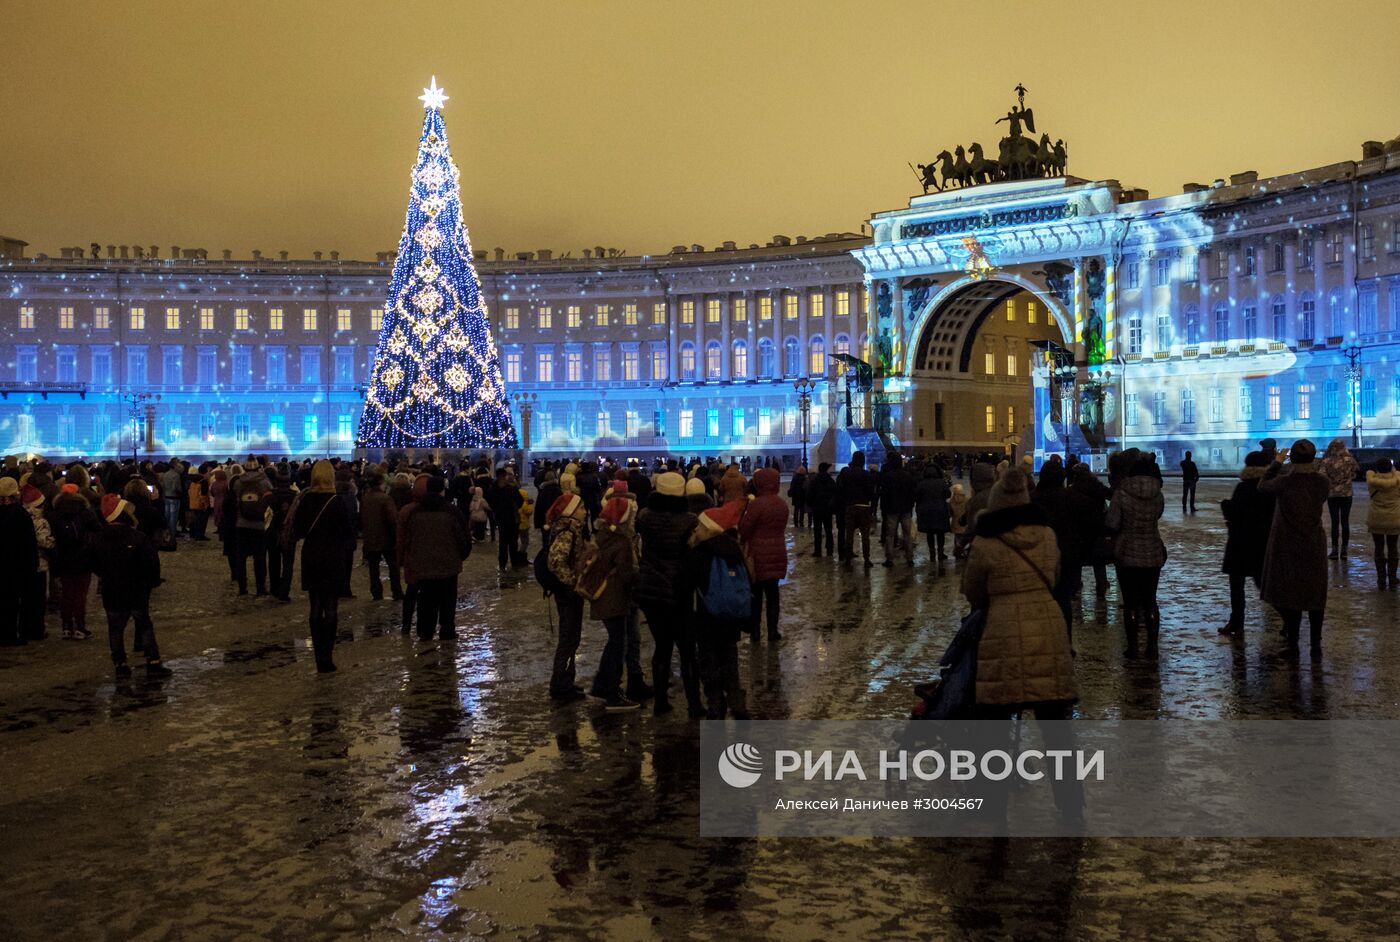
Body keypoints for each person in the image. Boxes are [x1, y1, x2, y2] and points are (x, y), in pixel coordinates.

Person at [961, 468, 1079, 817]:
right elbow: (1055, 577)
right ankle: (1071, 807)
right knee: (1057, 733)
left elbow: (973, 592)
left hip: (1002, 634)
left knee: (994, 732)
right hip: (1048, 629)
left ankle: (995, 809)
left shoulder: (985, 542)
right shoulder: (1046, 536)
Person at [634, 472, 702, 717]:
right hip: (678, 588)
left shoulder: (644, 516)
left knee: (662, 646)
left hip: (651, 589)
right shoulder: (689, 520)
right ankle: (694, 704)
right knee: (687, 649)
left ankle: (661, 701)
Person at [1259, 439, 1329, 657]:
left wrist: (1277, 462)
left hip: (1288, 543)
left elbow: (1262, 485)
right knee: (1315, 594)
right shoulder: (1322, 482)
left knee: (1292, 596)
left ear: (1292, 458)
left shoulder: (1284, 482)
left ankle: (1293, 643)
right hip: (1314, 543)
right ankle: (1316, 645)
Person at [686, 500, 752, 719]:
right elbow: (747, 584)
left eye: (699, 526)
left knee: (709, 664)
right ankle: (738, 704)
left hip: (706, 620)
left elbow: (684, 583)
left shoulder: (699, 554)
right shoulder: (734, 550)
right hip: (731, 621)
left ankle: (716, 704)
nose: (696, 529)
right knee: (730, 662)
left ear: (708, 529)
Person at [289, 460, 355, 672]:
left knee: (315, 606)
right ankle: (327, 654)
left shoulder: (306, 500)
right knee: (331, 606)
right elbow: (347, 532)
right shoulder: (337, 501)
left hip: (312, 555)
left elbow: (298, 531)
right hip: (333, 555)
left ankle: (318, 655)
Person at [96, 495, 170, 678]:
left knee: (115, 628)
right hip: (136, 588)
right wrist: (152, 581)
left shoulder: (100, 538)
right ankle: (153, 661)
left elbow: (94, 562)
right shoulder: (137, 537)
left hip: (112, 589)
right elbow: (150, 562)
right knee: (144, 624)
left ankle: (120, 663)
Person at [583, 496, 641, 711]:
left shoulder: (603, 534)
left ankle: (600, 687)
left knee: (615, 642)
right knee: (618, 644)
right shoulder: (622, 540)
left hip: (603, 596)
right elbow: (627, 575)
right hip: (615, 597)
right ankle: (612, 693)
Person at [1105, 456, 1166, 657]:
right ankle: (1152, 647)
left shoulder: (1122, 494)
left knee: (1130, 602)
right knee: (1150, 600)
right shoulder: (1158, 495)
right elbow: (1157, 516)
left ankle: (1132, 647)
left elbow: (1112, 523)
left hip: (1127, 552)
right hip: (1153, 550)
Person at [399, 474, 471, 641]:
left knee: (426, 599)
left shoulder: (415, 512)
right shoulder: (451, 511)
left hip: (423, 565)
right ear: (442, 490)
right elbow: (463, 538)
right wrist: (460, 556)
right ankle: (447, 630)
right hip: (448, 564)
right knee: (448, 599)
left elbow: (408, 539)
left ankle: (425, 631)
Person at [1218, 452, 1275, 635]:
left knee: (1237, 585)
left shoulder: (1243, 487)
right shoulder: (1268, 488)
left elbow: (1234, 512)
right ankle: (1290, 620)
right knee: (1264, 584)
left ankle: (1236, 622)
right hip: (1261, 542)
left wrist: (1225, 505)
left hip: (1240, 543)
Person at [545, 493, 591, 702]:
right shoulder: (567, 532)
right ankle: (561, 685)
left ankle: (566, 681)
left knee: (572, 637)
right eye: (581, 508)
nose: (585, 512)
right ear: (571, 511)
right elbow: (556, 561)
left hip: (568, 590)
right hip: (567, 592)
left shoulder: (572, 529)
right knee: (568, 637)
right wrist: (572, 581)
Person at [740, 466, 788, 642]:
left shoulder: (757, 505)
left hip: (758, 555)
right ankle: (773, 631)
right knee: (773, 595)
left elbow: (745, 529)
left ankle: (755, 631)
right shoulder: (781, 504)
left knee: (756, 596)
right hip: (777, 552)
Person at [49, 483, 100, 640]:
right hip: (83, 557)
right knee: (80, 593)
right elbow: (98, 530)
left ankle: (66, 626)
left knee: (66, 592)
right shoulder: (85, 512)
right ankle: (79, 626)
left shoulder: (54, 514)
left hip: (62, 558)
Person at [0, 477, 39, 646]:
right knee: (14, 601)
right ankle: (11, 633)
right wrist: (32, 564)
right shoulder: (20, 514)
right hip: (17, 566)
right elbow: (29, 543)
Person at [1065, 464, 1112, 599]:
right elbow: (1111, 495)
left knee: (1077, 560)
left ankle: (1076, 587)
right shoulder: (1097, 487)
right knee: (1099, 560)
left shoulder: (1072, 490)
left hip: (1077, 530)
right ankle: (1101, 587)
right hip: (1097, 529)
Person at [360, 469, 403, 602]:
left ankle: (376, 592)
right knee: (393, 566)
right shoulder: (385, 498)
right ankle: (396, 591)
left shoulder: (365, 498)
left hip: (370, 538)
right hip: (386, 538)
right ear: (380, 484)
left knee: (373, 568)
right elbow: (392, 519)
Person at [20, 484, 54, 641]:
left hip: (24, 563)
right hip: (40, 562)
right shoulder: (40, 521)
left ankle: (25, 627)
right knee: (39, 599)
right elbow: (45, 542)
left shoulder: (19, 515)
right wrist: (52, 541)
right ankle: (37, 629)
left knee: (26, 599)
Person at [232, 460, 272, 596]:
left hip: (241, 524)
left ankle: (242, 588)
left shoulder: (238, 482)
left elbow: (235, 501)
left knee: (241, 558)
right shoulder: (264, 482)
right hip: (259, 525)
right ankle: (260, 588)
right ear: (258, 468)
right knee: (260, 558)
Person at [1318, 438, 1359, 559]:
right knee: (1345, 522)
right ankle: (1344, 550)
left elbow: (1322, 475)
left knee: (1335, 522)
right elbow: (1355, 472)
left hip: (1332, 495)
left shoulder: (1327, 461)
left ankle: (1334, 550)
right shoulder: (1349, 460)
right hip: (1347, 494)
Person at [1365, 457, 1400, 590]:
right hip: (1394, 518)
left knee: (1378, 548)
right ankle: (1392, 578)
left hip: (1376, 518)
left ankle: (1381, 579)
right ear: (1391, 467)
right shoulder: (1397, 481)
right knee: (1393, 548)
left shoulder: (1372, 482)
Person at [837, 451, 876, 565]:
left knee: (849, 534)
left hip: (850, 506)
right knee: (865, 535)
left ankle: (848, 558)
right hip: (863, 506)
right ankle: (867, 559)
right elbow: (871, 492)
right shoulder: (866, 474)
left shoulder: (846, 474)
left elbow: (841, 489)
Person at [878, 454, 917, 567]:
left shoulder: (887, 477)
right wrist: (910, 506)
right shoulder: (907, 476)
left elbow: (884, 494)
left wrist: (883, 508)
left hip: (891, 509)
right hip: (905, 509)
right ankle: (909, 558)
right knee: (907, 534)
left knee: (890, 535)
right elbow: (912, 493)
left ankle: (889, 559)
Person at [486, 468, 524, 570]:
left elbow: (490, 502)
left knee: (504, 542)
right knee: (511, 542)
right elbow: (520, 501)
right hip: (510, 518)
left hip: (502, 519)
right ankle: (512, 563)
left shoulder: (493, 489)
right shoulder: (510, 488)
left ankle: (504, 564)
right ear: (502, 476)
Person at [913, 465, 952, 562]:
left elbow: (916, 496)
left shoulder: (922, 484)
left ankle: (932, 553)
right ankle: (940, 552)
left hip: (926, 511)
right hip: (940, 510)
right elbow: (948, 494)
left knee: (929, 533)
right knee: (940, 533)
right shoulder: (941, 482)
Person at [806, 462, 837, 558]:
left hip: (817, 509)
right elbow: (835, 494)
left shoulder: (815, 481)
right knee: (828, 530)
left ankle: (818, 551)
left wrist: (812, 505)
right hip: (827, 509)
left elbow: (809, 495)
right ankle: (830, 550)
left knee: (817, 531)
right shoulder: (830, 481)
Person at [949, 483, 971, 558]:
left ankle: (958, 553)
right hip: (964, 523)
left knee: (957, 538)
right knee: (964, 539)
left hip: (955, 523)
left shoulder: (951, 501)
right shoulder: (967, 499)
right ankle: (965, 553)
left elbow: (950, 512)